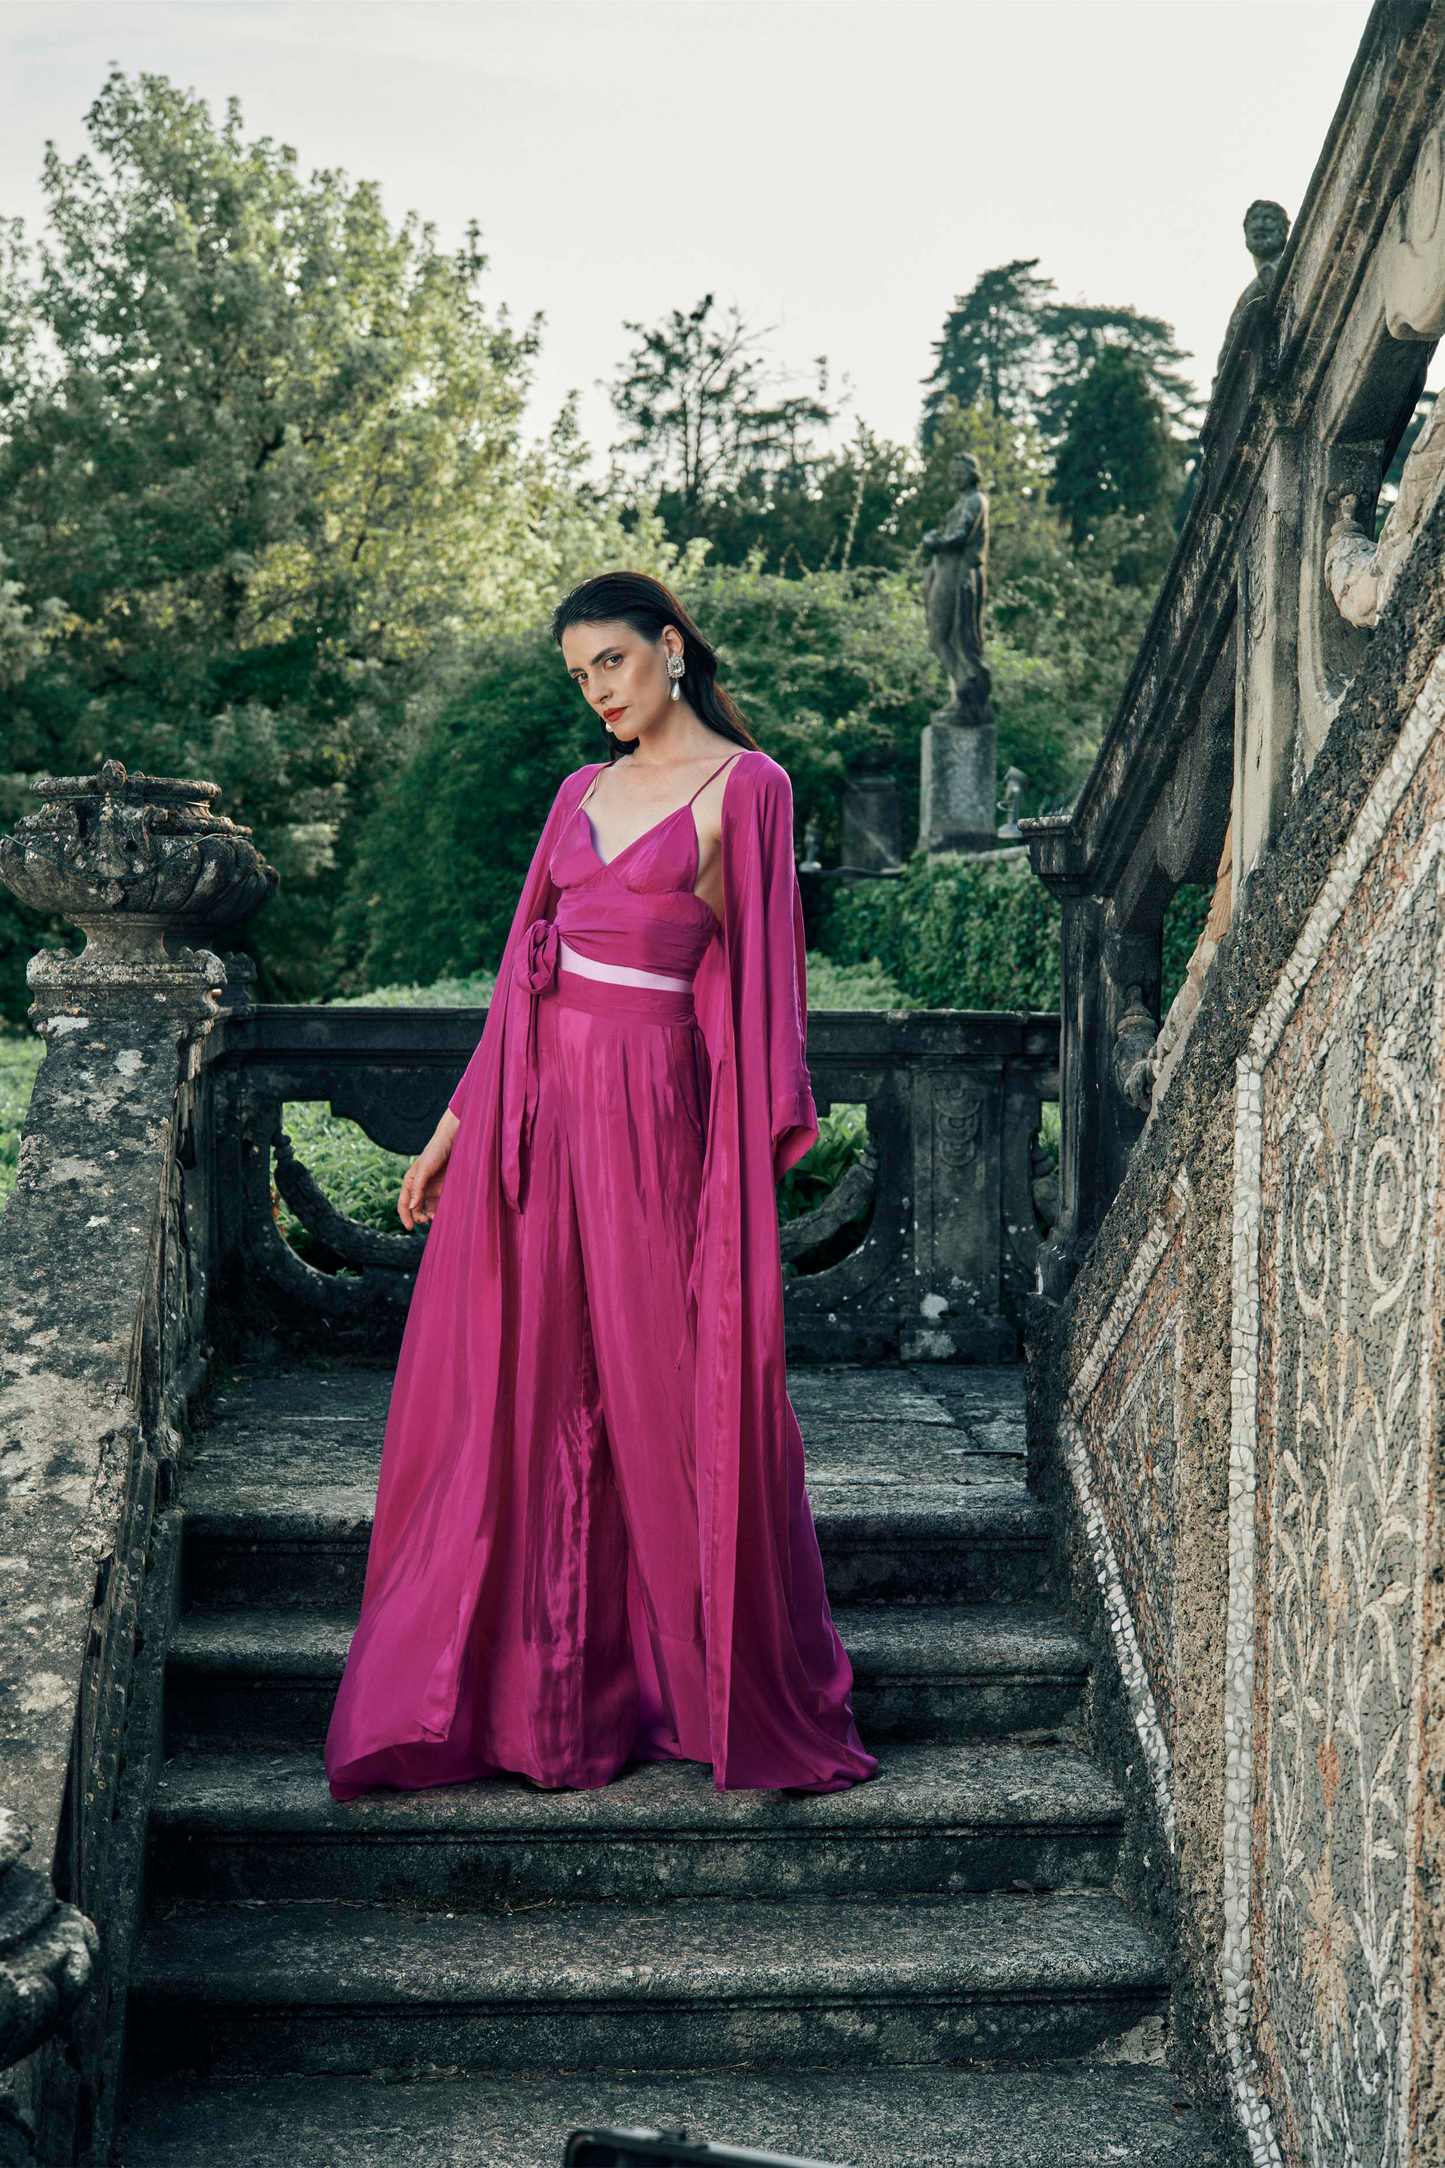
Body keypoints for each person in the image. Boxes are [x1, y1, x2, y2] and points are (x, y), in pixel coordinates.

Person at [324, 571, 878, 1799]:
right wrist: (453, 1126)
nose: (597, 694)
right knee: (519, 1392)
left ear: (669, 649)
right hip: (534, 1116)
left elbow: (758, 997)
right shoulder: (579, 792)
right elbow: (523, 972)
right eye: (579, 675)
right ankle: (541, 1700)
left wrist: (731, 1173)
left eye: (611, 663)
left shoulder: (751, 787)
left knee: (662, 1383)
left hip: (652, 1116)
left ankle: (705, 1680)